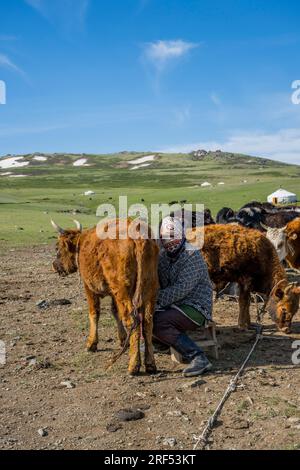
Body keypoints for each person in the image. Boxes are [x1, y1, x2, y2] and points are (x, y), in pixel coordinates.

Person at [153, 216, 213, 377]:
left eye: (173, 237)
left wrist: (153, 300)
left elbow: (181, 289)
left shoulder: (191, 255)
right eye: (165, 239)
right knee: (146, 316)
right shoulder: (164, 257)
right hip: (174, 305)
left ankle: (198, 357)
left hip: (196, 306)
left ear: (181, 235)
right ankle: (163, 341)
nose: (169, 242)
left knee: (157, 322)